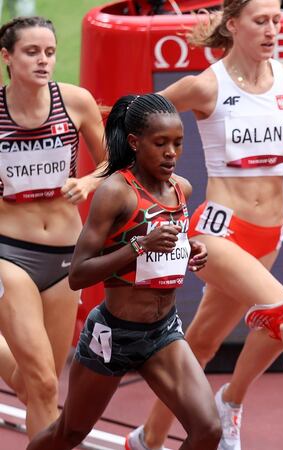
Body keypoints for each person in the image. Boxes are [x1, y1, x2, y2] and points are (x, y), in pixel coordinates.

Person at [128, 1, 283, 449]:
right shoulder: (205, 85)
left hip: (269, 233)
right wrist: (159, 179)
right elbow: (133, 120)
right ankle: (231, 403)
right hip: (218, 230)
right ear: (233, 25)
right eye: (260, 21)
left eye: (277, 20)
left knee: (203, 343)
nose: (272, 30)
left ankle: (148, 438)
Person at [27, 93, 221, 450]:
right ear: (134, 142)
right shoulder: (115, 192)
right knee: (68, 433)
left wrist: (190, 248)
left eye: (178, 143)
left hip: (163, 332)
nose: (171, 153)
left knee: (208, 429)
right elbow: (79, 274)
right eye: (160, 143)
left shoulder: (181, 189)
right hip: (113, 337)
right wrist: (140, 246)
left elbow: (172, 240)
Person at [0, 15, 105, 439]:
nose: (43, 61)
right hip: (9, 254)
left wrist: (88, 180)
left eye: (49, 52)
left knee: (39, 385)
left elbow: (114, 160)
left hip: (67, 256)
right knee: (43, 383)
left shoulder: (76, 101)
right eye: (31, 52)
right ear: (7, 57)